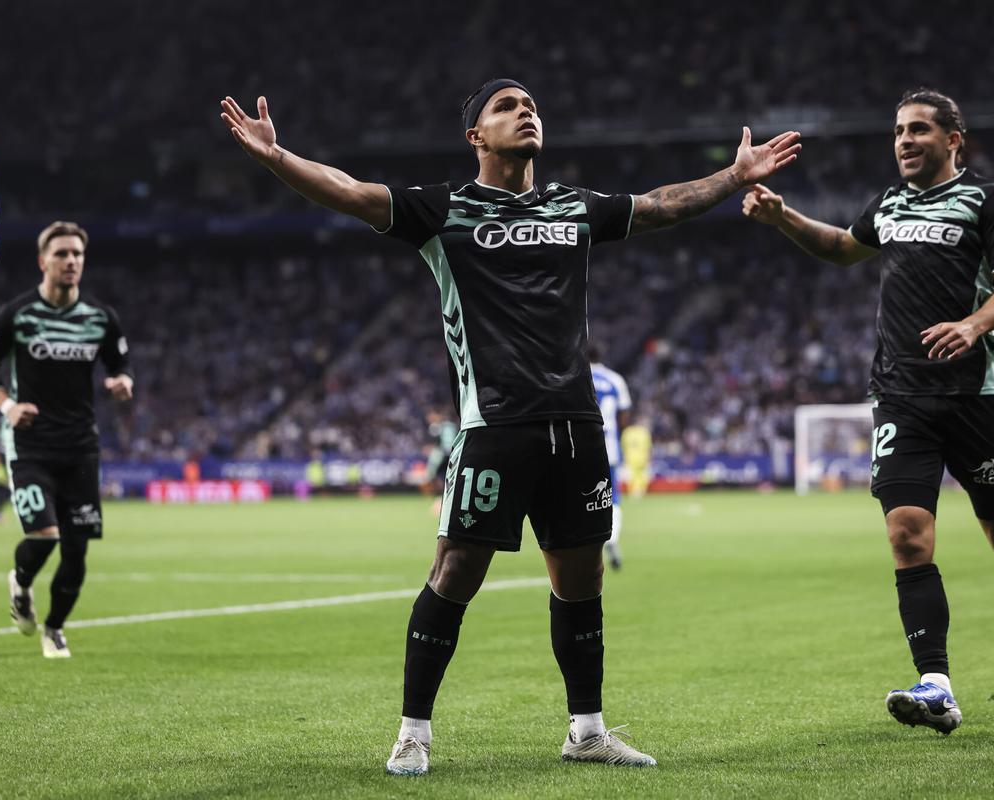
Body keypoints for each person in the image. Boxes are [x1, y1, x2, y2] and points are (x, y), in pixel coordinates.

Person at [220, 78, 800, 774]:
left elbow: (657, 207)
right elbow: (350, 191)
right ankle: (413, 733)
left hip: (577, 423)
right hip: (494, 422)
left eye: (532, 107)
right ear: (476, 136)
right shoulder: (442, 209)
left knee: (581, 578)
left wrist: (734, 175)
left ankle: (586, 731)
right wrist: (279, 158)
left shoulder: (573, 207)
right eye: (507, 107)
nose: (526, 113)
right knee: (456, 570)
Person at [742, 88, 994, 735]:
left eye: (917, 130)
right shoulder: (888, 204)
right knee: (907, 533)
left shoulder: (985, 200)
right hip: (901, 396)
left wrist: (971, 327)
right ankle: (936, 685)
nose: (904, 140)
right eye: (897, 131)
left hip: (975, 398)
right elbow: (840, 247)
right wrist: (782, 217)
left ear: (952, 142)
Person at [0, 221, 134, 658]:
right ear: (43, 261)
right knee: (45, 534)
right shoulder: (18, 314)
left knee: (77, 551)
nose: (71, 261)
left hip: (81, 446)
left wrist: (122, 381)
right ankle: (21, 581)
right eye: (62, 254)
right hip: (30, 444)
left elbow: (120, 363)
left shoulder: (100, 318)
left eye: (77, 255)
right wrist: (8, 407)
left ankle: (55, 628)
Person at [587, 343, 632, 570]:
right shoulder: (615, 380)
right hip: (609, 448)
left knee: (577, 494)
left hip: (581, 446)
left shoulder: (578, 376)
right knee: (612, 497)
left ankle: (580, 544)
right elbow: (624, 416)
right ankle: (612, 540)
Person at [421, 409, 459, 515]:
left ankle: (440, 501)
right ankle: (443, 500)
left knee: (433, 477)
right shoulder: (450, 425)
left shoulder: (437, 427)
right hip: (453, 455)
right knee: (447, 477)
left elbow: (434, 445)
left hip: (443, 456)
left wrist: (430, 449)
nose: (430, 419)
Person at [621, 418, 653, 499]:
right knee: (640, 477)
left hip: (630, 458)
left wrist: (623, 458)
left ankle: (634, 493)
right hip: (641, 458)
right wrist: (649, 458)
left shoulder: (627, 432)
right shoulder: (644, 432)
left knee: (633, 477)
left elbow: (623, 447)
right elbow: (648, 447)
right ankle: (639, 493)